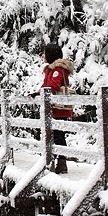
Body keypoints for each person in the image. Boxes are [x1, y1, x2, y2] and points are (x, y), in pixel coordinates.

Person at [38, 42, 74, 174]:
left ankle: (61, 162)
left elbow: (53, 86)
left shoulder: (58, 69)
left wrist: (42, 92)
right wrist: (37, 93)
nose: (43, 55)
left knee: (58, 135)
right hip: (53, 108)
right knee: (54, 134)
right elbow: (45, 85)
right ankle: (55, 161)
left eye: (45, 53)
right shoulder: (50, 69)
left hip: (59, 108)